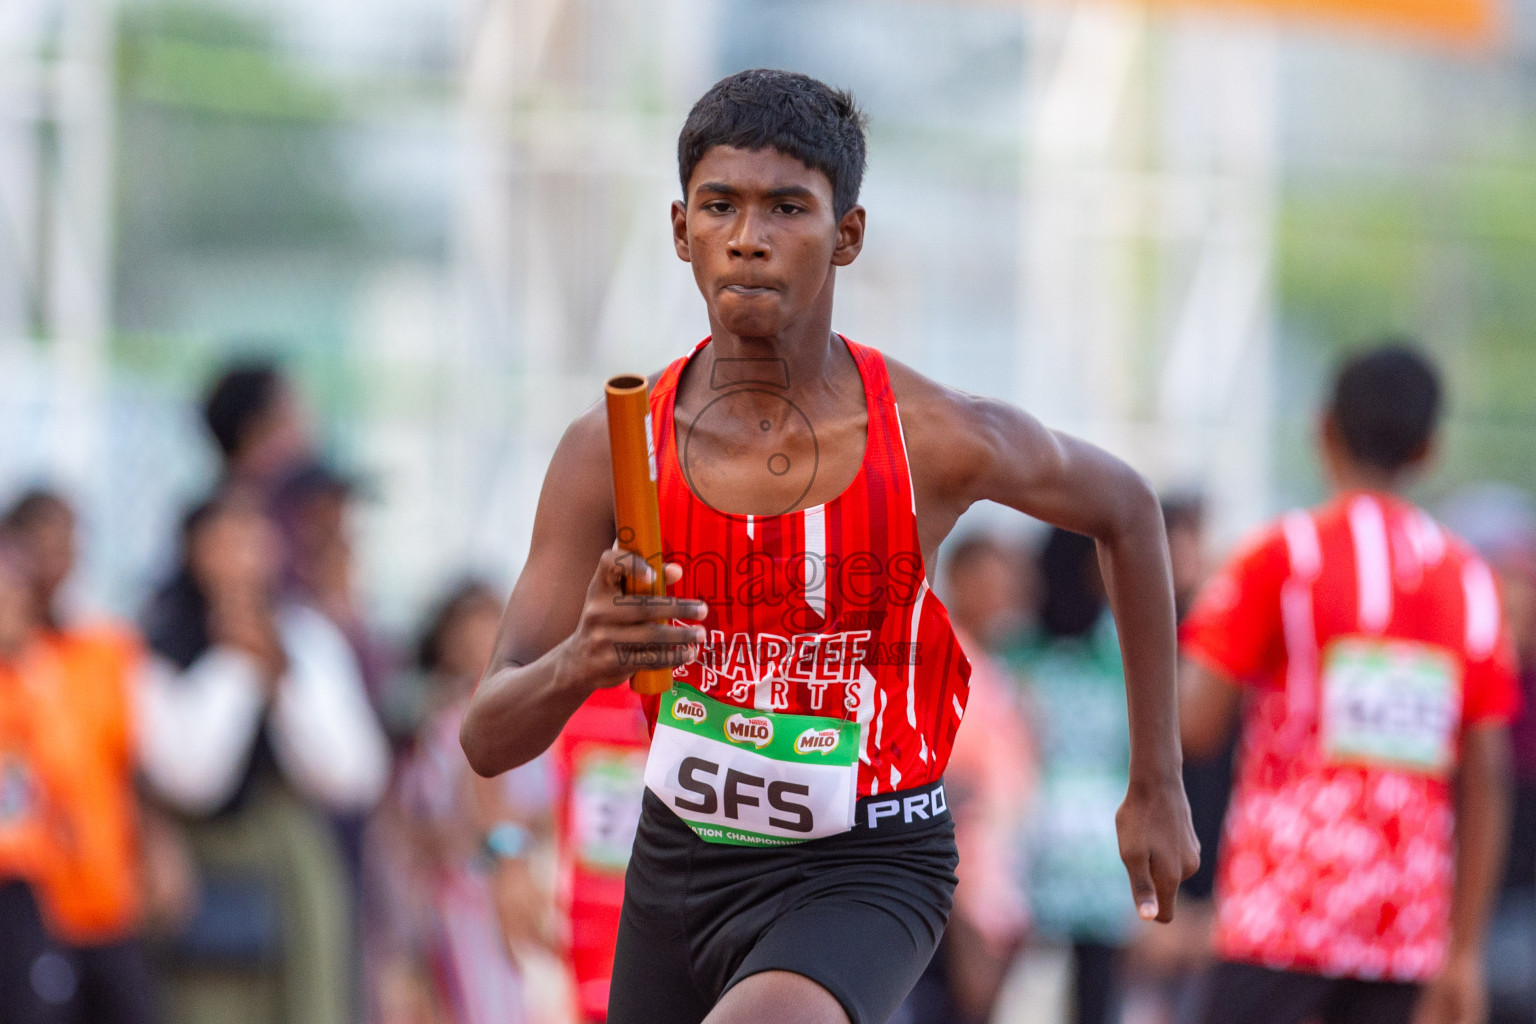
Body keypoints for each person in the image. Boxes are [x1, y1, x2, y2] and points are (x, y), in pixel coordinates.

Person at [460, 68, 1198, 1024]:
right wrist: (582, 661)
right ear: (680, 229)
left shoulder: (930, 436)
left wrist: (1157, 781)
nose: (749, 237)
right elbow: (487, 735)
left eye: (787, 208)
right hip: (680, 860)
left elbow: (1129, 512)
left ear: (847, 235)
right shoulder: (613, 453)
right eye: (719, 206)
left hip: (867, 862)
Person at [1180, 343, 1521, 1024]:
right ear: (1429, 450)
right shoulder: (1469, 581)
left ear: (1322, 431)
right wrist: (1464, 951)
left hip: (1278, 911)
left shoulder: (1277, 558)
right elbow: (1486, 777)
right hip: (1407, 927)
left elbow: (1195, 725)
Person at [138, 491, 389, 1024]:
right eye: (226, 540)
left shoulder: (305, 636)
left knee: (308, 1003)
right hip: (201, 859)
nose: (243, 556)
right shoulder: (159, 643)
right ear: (193, 551)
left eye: (254, 539)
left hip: (294, 860)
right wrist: (236, 663)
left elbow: (357, 774)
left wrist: (280, 680)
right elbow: (189, 776)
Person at [1, 490, 161, 1024]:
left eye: (65, 542)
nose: (53, 561)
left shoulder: (103, 652)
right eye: (37, 545)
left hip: (106, 900)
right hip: (29, 905)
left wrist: (158, 843)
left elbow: (129, 766)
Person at [1008, 527, 1142, 1024]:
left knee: (1094, 994)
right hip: (1037, 850)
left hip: (1094, 853)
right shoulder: (1017, 650)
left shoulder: (1116, 648)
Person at [898, 534, 1033, 1024]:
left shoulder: (996, 669)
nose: (1003, 595)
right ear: (959, 580)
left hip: (995, 877)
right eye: (990, 582)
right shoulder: (940, 659)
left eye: (1009, 583)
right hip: (951, 882)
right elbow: (925, 774)